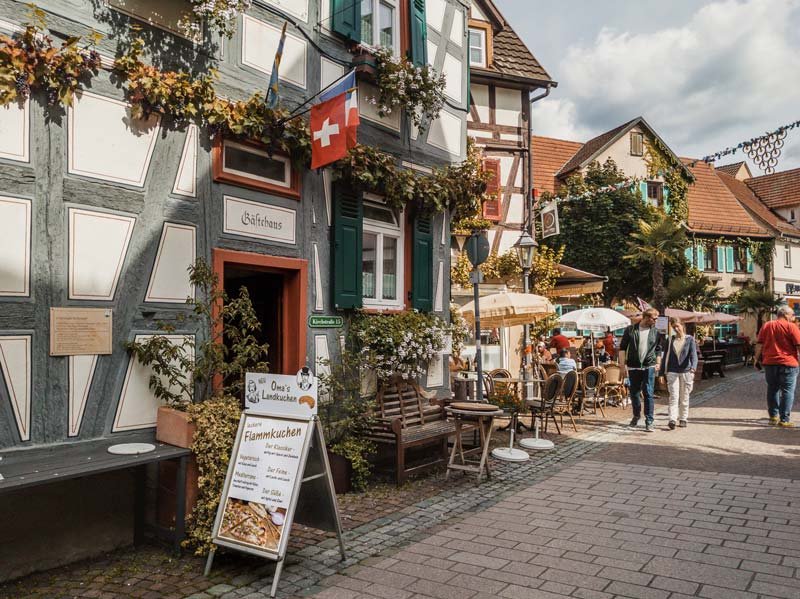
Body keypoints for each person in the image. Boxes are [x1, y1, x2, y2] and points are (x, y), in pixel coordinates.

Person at [619, 307, 665, 432]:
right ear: (646, 317)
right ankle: (636, 415)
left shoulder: (656, 332)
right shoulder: (630, 330)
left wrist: (658, 362)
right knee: (634, 393)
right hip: (633, 365)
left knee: (648, 392)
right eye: (654, 319)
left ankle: (649, 420)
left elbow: (658, 349)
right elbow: (622, 348)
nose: (656, 321)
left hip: (648, 365)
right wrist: (622, 366)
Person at [754, 305, 800, 427]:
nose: (793, 317)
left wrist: (756, 359)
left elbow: (759, 344)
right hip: (788, 363)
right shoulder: (791, 327)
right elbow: (799, 345)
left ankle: (773, 416)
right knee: (787, 391)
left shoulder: (767, 325)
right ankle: (784, 419)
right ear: (786, 315)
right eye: (792, 315)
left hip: (770, 363)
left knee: (772, 389)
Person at [660, 318, 698, 429]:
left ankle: (683, 418)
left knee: (684, 397)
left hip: (686, 371)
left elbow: (693, 356)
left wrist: (693, 369)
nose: (676, 329)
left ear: (682, 326)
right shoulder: (670, 340)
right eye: (673, 327)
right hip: (672, 371)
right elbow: (665, 357)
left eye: (677, 326)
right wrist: (662, 373)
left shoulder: (690, 339)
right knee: (673, 396)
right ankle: (672, 419)